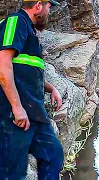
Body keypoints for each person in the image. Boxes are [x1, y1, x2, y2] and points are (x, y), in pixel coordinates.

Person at [0, 0, 64, 179]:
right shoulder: (15, 22)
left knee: (53, 156)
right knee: (12, 173)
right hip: (13, 115)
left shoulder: (30, 32)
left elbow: (25, 72)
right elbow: (3, 66)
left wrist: (51, 88)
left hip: (34, 113)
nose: (49, 13)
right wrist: (16, 107)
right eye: (48, 7)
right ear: (38, 5)